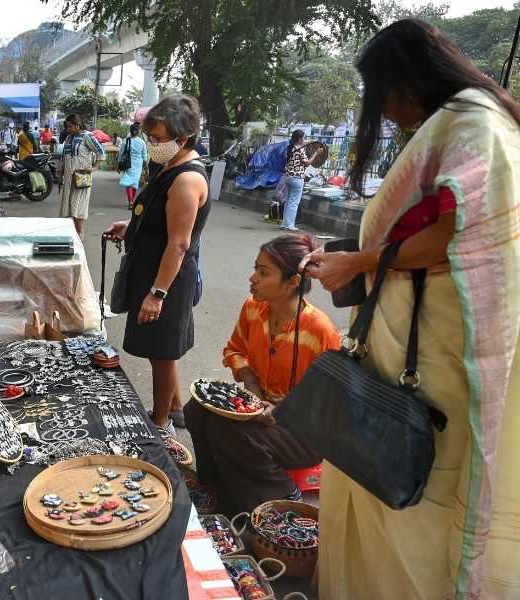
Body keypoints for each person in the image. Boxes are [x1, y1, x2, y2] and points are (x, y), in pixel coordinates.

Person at [298, 19, 520, 599]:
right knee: (372, 470)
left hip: (434, 349)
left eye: (384, 97)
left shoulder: (473, 124)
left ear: (406, 82)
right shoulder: (473, 120)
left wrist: (363, 262)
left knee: (411, 487)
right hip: (409, 336)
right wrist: (360, 260)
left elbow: (457, 238)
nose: (389, 114)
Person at [185, 234, 340, 515]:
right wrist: (251, 382)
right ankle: (215, 485)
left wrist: (280, 410)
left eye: (263, 272)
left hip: (304, 430)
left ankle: (281, 497)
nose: (253, 278)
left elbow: (328, 404)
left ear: (293, 282)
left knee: (231, 433)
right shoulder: (254, 308)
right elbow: (234, 349)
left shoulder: (320, 331)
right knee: (196, 410)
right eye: (256, 268)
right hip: (258, 405)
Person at [104, 95, 210, 436]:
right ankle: (175, 408)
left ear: (183, 138)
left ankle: (162, 425)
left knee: (162, 352)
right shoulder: (170, 166)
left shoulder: (186, 180)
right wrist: (131, 225)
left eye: (158, 138)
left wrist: (157, 293)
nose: (151, 143)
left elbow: (179, 243)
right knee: (161, 351)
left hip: (167, 278)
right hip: (153, 269)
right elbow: (159, 218)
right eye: (149, 136)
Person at [58, 114, 105, 237]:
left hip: (81, 177)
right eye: (66, 127)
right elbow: (65, 157)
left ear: (77, 125)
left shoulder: (87, 136)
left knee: (79, 206)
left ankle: (79, 234)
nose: (67, 129)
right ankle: (72, 234)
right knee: (68, 206)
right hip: (68, 178)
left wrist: (95, 167)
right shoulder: (68, 138)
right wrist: (61, 172)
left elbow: (100, 151)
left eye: (70, 126)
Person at [277, 129, 324, 232]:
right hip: (297, 178)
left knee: (288, 202)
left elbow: (302, 146)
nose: (304, 140)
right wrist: (316, 153)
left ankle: (285, 223)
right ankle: (290, 225)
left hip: (288, 177)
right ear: (299, 139)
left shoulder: (290, 148)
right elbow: (307, 163)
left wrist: (310, 142)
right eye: (303, 138)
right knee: (294, 203)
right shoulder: (300, 150)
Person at [117, 123, 148, 209]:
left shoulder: (125, 141)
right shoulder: (142, 142)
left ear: (130, 131)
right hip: (138, 164)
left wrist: (118, 164)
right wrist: (146, 168)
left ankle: (130, 201)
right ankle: (132, 201)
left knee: (128, 183)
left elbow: (120, 154)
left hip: (127, 164)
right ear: (138, 132)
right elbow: (144, 156)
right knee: (135, 182)